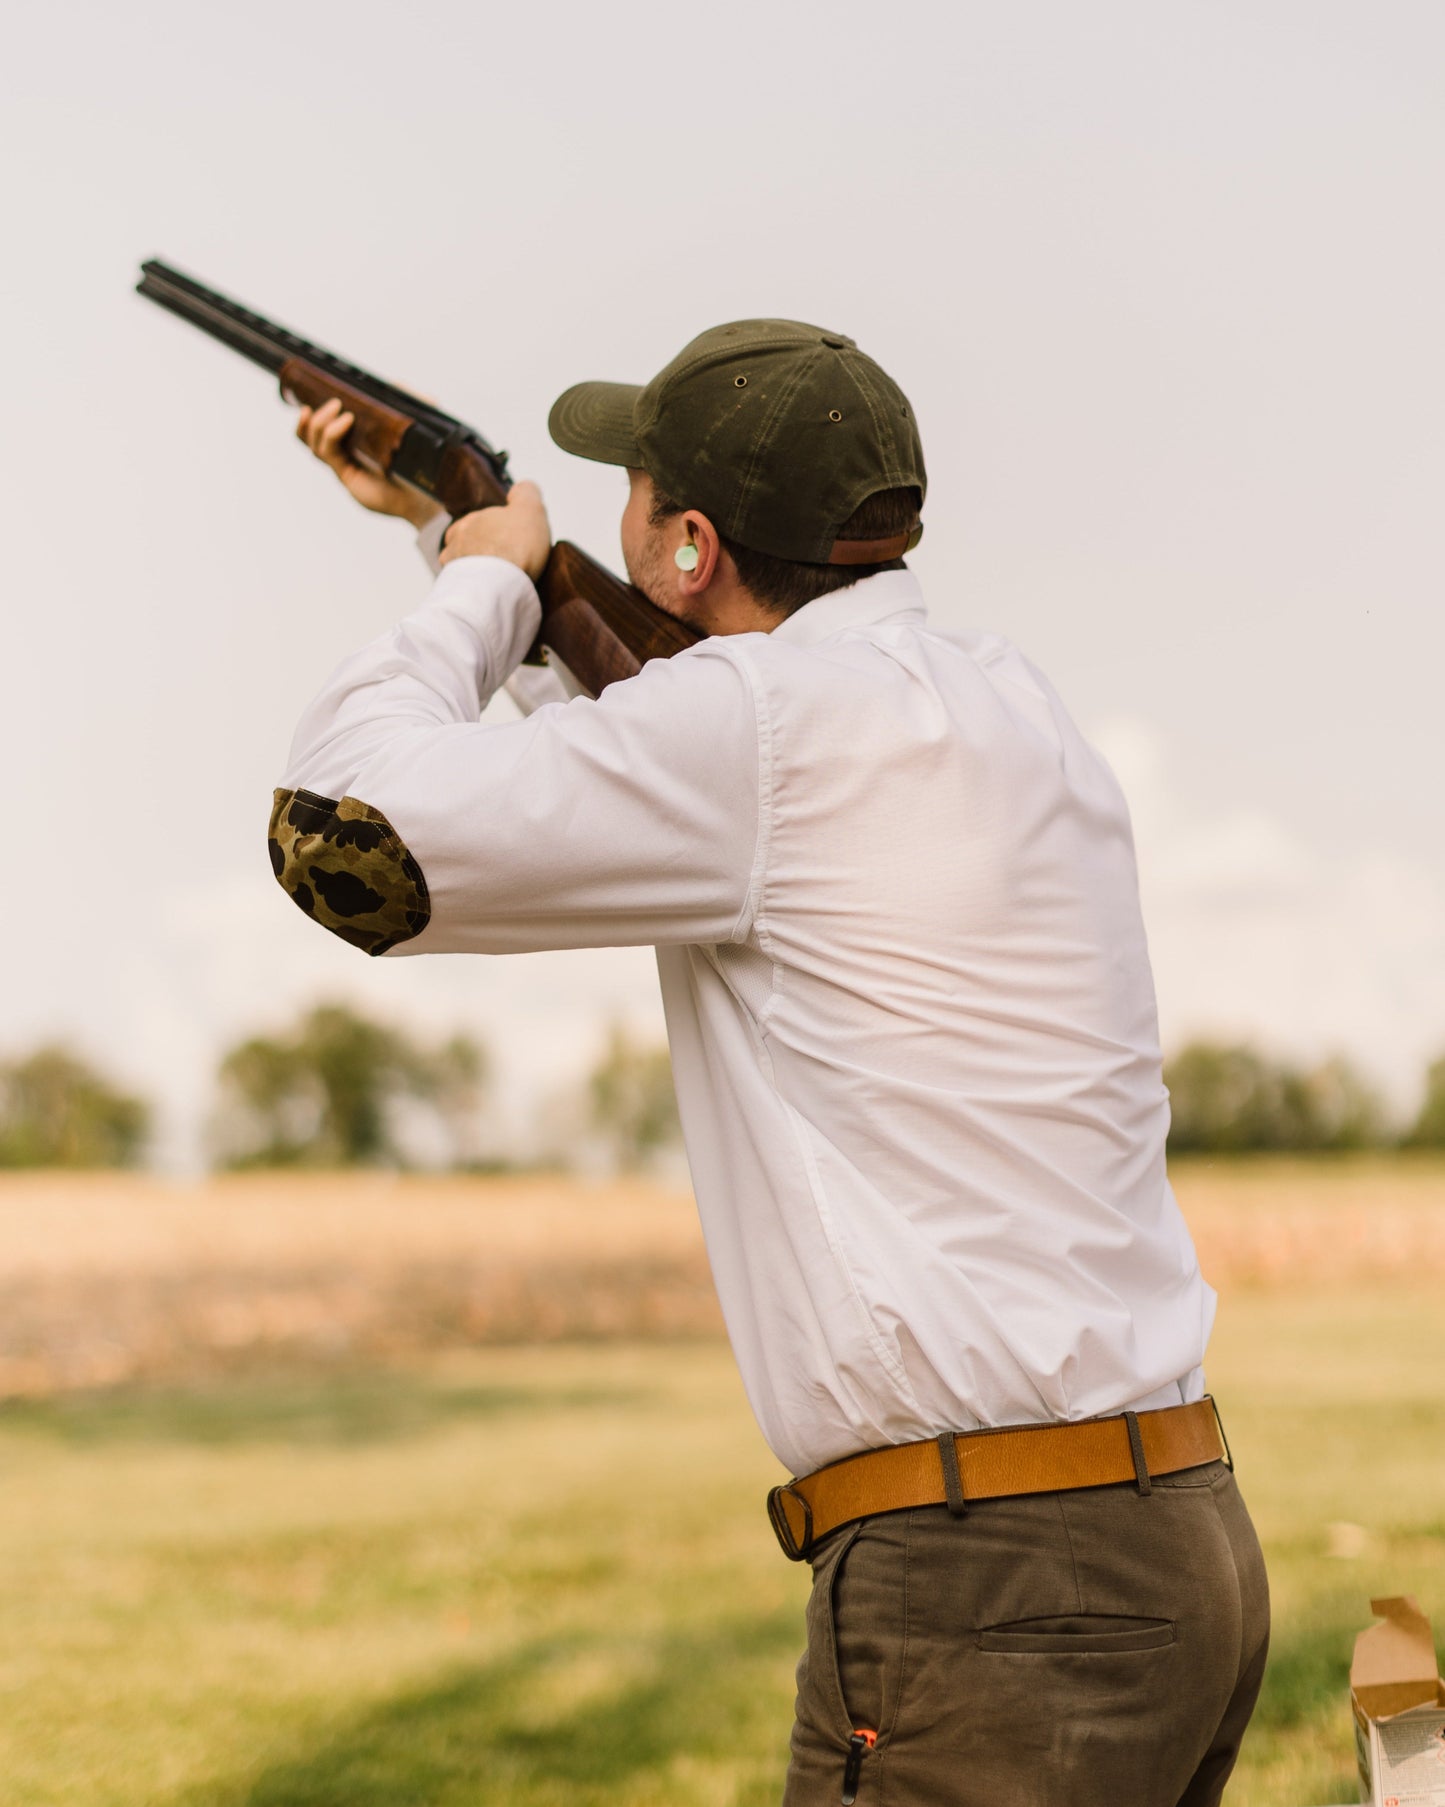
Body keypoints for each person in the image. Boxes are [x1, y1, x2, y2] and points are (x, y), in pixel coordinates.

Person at [275, 319, 1269, 1807]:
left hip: (987, 1588)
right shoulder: (1006, 698)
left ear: (688, 545)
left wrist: (482, 577)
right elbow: (649, 752)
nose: (614, 507)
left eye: (636, 489)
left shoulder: (758, 724)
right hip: (1175, 1537)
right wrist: (451, 524)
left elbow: (340, 830)